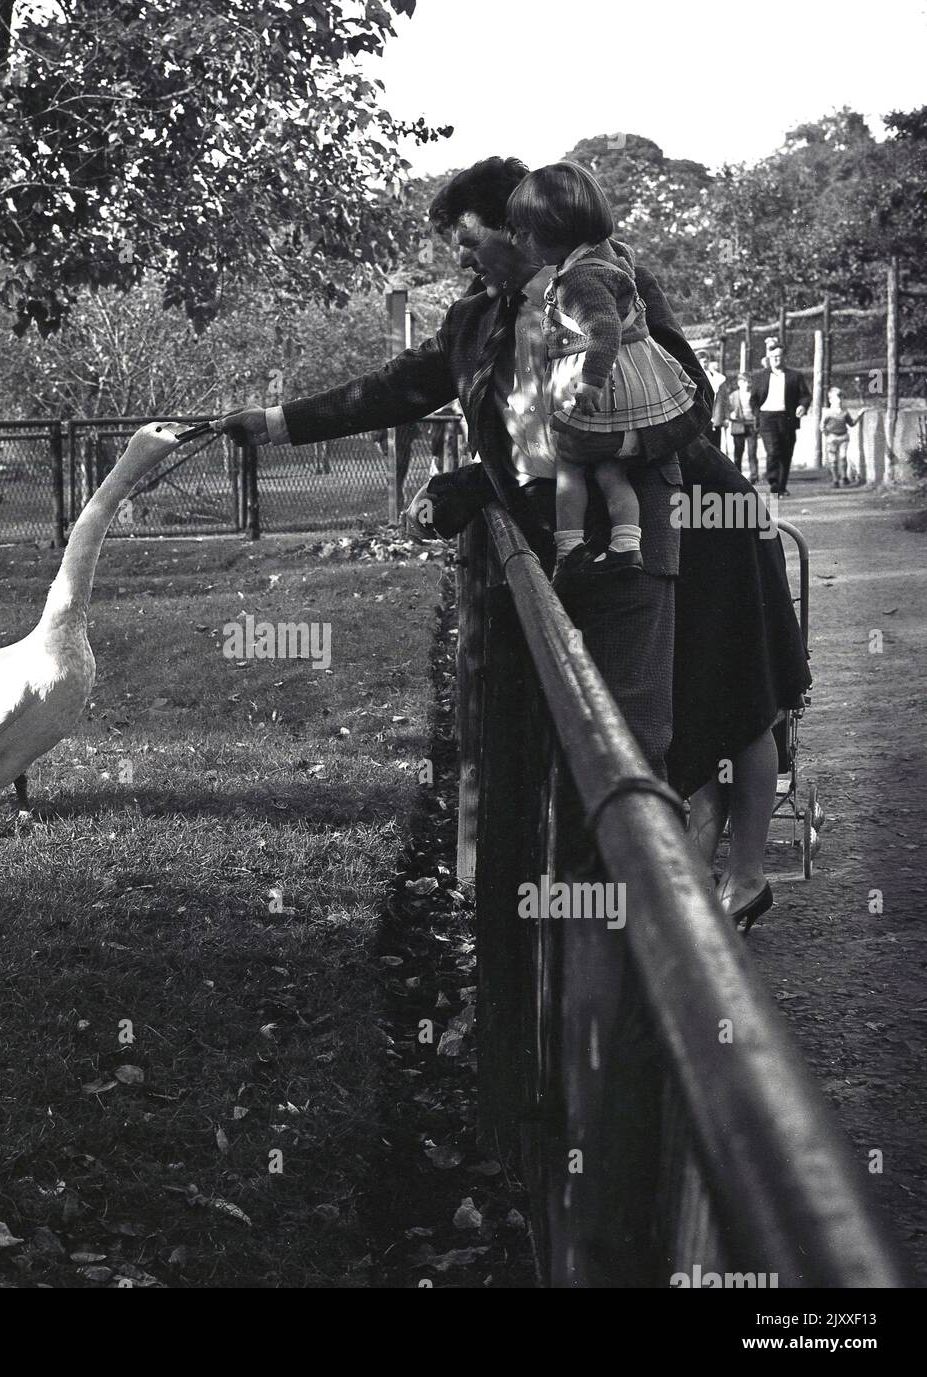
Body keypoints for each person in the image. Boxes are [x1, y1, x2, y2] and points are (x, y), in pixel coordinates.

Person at [215, 156, 810, 930]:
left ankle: (719, 889)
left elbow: (679, 401)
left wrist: (595, 445)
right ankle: (685, 898)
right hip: (603, 533)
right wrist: (274, 423)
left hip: (699, 520)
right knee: (670, 712)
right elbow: (399, 391)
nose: (459, 260)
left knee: (727, 699)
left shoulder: (610, 283)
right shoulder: (480, 318)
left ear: (517, 233)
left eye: (467, 241)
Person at [501, 162, 706, 581]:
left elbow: (604, 329)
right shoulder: (611, 257)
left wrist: (591, 380)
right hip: (625, 386)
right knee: (609, 469)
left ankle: (570, 547)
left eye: (525, 230)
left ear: (554, 227)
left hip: (604, 387)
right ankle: (626, 545)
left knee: (571, 462)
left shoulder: (578, 280)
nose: (518, 240)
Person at [750, 343, 811, 496]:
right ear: (769, 358)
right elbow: (754, 399)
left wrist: (802, 406)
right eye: (773, 357)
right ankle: (773, 481)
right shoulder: (760, 376)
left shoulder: (795, 376)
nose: (776, 359)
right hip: (767, 417)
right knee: (773, 450)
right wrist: (758, 414)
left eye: (779, 356)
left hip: (787, 417)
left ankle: (782, 486)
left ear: (784, 357)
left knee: (786, 452)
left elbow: (805, 395)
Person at [821, 387, 859, 487]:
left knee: (843, 457)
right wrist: (825, 432)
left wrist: (860, 414)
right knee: (832, 459)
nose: (839, 401)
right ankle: (835, 480)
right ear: (830, 400)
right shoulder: (827, 413)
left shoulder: (845, 412)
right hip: (832, 437)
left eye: (840, 398)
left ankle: (844, 477)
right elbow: (822, 425)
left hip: (843, 437)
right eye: (836, 398)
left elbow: (852, 423)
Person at [726, 372, 758, 480]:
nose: (747, 384)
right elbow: (727, 409)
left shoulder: (753, 394)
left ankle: (754, 476)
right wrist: (731, 415)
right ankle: (737, 475)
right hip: (738, 426)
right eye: (744, 382)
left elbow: (758, 409)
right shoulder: (733, 395)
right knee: (738, 452)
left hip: (751, 425)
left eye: (749, 382)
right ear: (739, 383)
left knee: (752, 452)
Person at [700, 351, 730, 448]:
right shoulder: (696, 377)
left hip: (716, 417)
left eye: (705, 361)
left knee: (716, 447)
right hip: (702, 419)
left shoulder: (718, 379)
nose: (704, 364)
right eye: (701, 362)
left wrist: (725, 417)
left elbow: (724, 399)